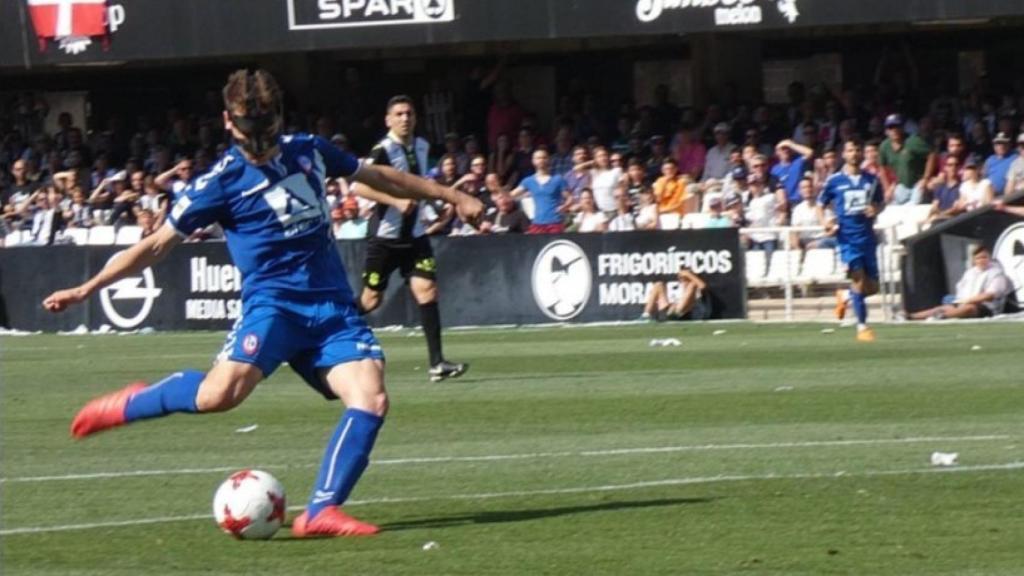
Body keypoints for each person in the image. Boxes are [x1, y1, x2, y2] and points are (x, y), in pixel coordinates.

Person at [42, 70, 483, 538]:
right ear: (229, 124)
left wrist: (450, 193)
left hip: (332, 310)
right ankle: (135, 401)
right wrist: (87, 289)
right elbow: (155, 246)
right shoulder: (220, 182)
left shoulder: (309, 149)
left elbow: (376, 175)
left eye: (267, 133)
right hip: (272, 309)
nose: (259, 144)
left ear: (279, 120)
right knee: (218, 397)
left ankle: (320, 511)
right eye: (250, 134)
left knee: (371, 397)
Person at [356, 95, 469, 382]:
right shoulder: (382, 149)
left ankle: (437, 363)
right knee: (370, 301)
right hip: (385, 238)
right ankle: (325, 339)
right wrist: (394, 201)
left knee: (428, 291)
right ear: (388, 120)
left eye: (409, 113)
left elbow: (420, 184)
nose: (405, 118)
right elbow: (359, 186)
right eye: (399, 114)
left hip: (415, 236)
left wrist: (438, 198)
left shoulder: (421, 146)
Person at [818, 140, 884, 342]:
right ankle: (862, 327)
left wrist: (876, 209)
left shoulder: (871, 180)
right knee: (858, 279)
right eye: (850, 150)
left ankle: (846, 297)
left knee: (872, 287)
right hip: (847, 238)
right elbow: (820, 205)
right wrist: (826, 224)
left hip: (867, 237)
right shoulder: (834, 181)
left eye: (857, 149)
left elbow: (880, 203)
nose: (854, 153)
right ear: (843, 154)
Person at [908, 246, 1010, 320]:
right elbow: (961, 291)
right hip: (964, 303)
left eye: (984, 257)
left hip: (986, 308)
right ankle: (911, 316)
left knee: (970, 308)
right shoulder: (970, 273)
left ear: (989, 258)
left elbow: (990, 295)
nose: (982, 260)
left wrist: (967, 300)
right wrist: (959, 301)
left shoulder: (997, 273)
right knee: (945, 307)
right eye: (978, 258)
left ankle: (943, 316)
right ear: (974, 260)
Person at [513, 148, 572, 234]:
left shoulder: (558, 179)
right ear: (533, 161)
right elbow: (511, 195)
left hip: (554, 222)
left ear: (548, 160)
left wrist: (564, 206)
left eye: (544, 158)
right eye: (538, 158)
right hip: (537, 223)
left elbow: (570, 198)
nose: (541, 160)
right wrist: (498, 188)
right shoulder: (528, 181)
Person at [639, 267, 709, 321]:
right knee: (659, 285)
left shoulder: (694, 288)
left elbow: (703, 286)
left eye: (685, 279)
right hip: (669, 312)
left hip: (682, 314)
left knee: (692, 285)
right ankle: (646, 315)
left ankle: (675, 314)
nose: (682, 280)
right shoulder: (677, 288)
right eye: (681, 278)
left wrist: (688, 274)